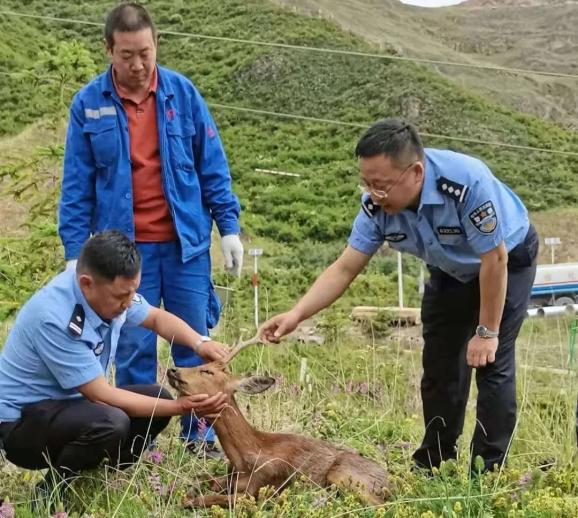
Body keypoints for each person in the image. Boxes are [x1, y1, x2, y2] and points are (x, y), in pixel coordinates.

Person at [260, 118, 539, 473]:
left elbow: (494, 259)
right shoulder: (377, 207)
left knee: (491, 363)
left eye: (381, 185)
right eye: (366, 183)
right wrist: (296, 314)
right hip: (450, 270)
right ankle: (435, 463)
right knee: (439, 364)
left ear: (416, 173)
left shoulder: (467, 184)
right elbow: (345, 268)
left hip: (506, 260)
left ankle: (486, 473)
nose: (373, 193)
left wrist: (486, 332)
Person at [58, 3, 243, 456]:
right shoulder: (89, 104)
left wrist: (229, 227)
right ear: (109, 50)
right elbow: (77, 186)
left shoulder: (182, 94)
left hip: (186, 247)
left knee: (192, 343)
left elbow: (211, 167)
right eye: (126, 55)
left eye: (145, 52)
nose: (138, 65)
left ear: (156, 44)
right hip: (125, 254)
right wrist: (74, 252)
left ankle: (200, 437)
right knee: (133, 347)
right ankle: (140, 442)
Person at [0, 231, 228, 502]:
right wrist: (184, 407)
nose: (128, 302)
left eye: (133, 292)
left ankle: (98, 477)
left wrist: (200, 343)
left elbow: (156, 318)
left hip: (70, 410)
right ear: (87, 284)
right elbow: (101, 395)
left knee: (156, 399)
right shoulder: (54, 316)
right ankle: (51, 492)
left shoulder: (110, 294)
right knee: (111, 422)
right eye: (122, 296)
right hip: (23, 426)